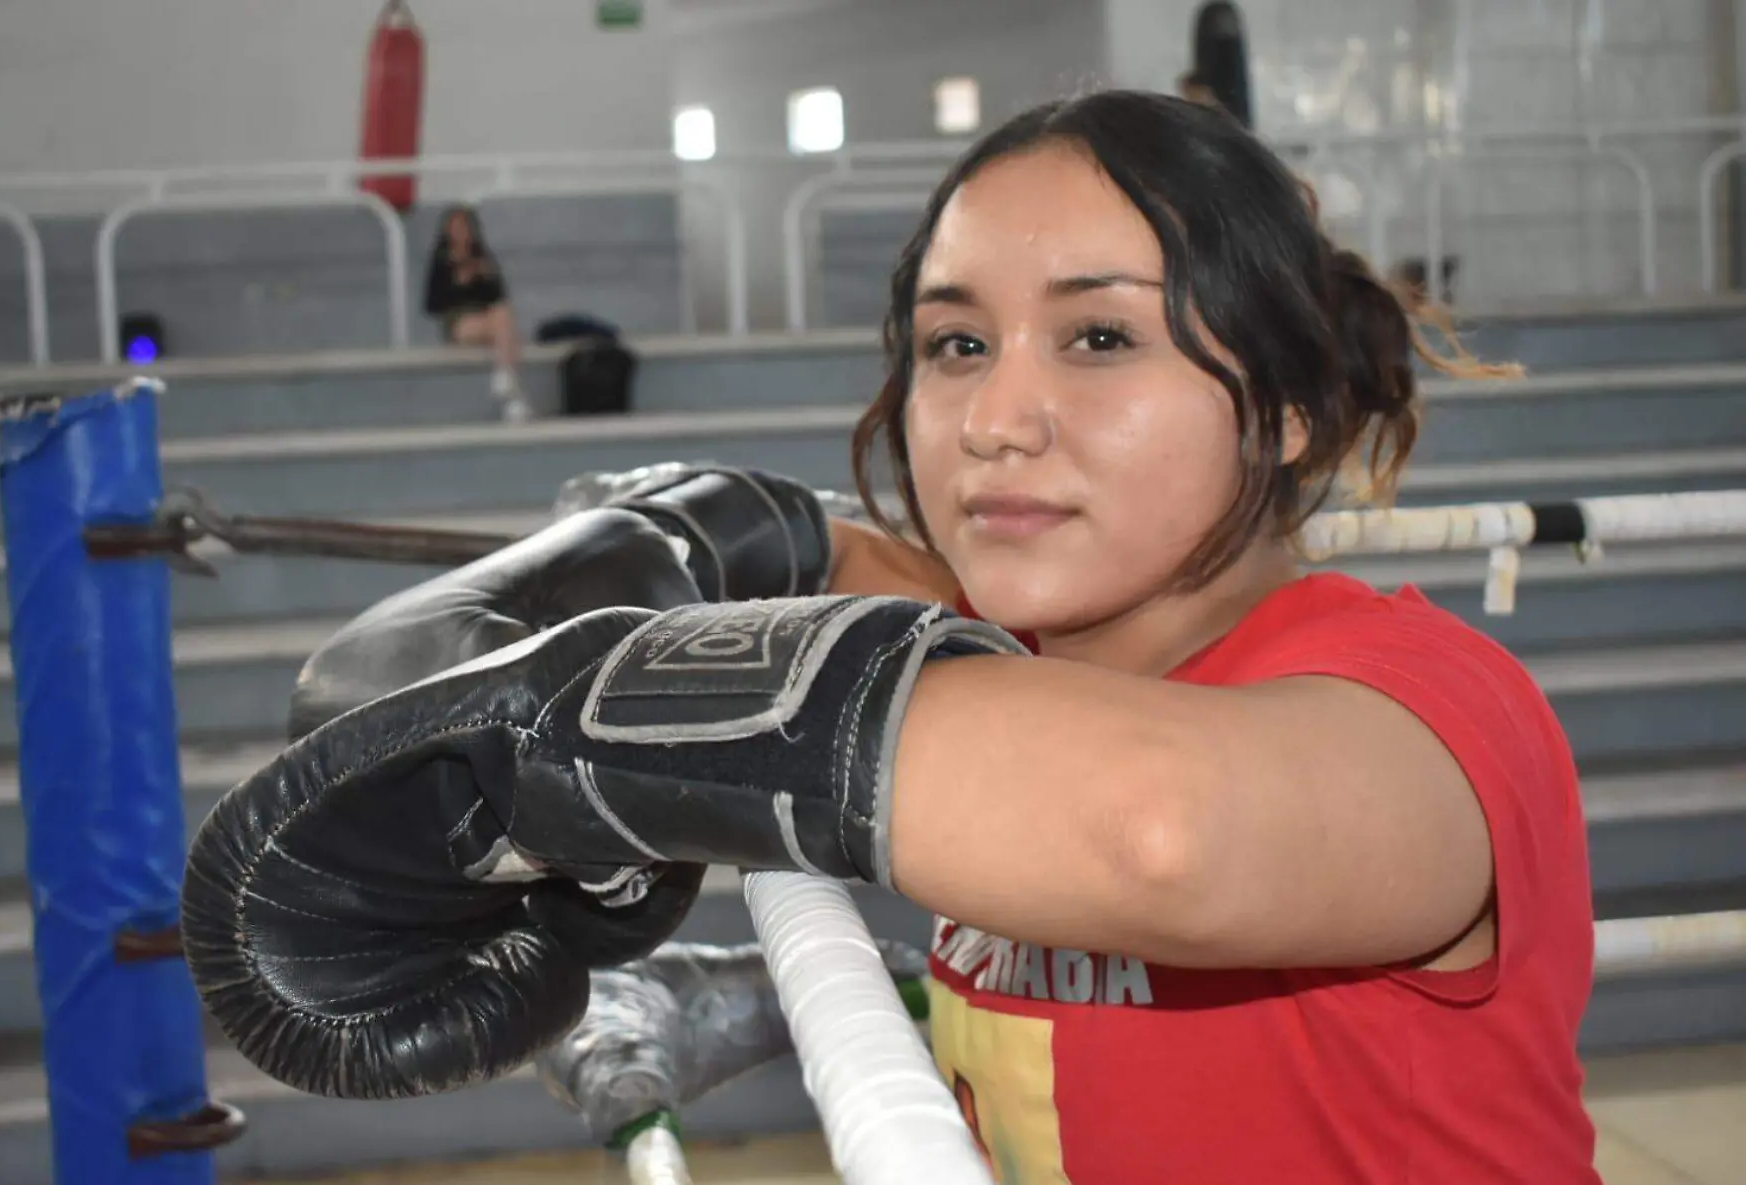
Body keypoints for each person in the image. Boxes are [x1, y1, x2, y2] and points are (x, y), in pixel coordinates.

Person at [183, 90, 1598, 1183]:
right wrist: (674, 537)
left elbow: (1157, 833)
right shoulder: (1002, 665)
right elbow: (821, 556)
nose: (994, 417)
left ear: (1285, 411)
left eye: (1100, 339)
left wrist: (555, 725)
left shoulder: (1425, 708)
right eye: (955, 343)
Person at [424, 203, 529, 420]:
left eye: (464, 227)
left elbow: (499, 297)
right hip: (459, 323)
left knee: (502, 316)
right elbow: (432, 305)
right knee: (508, 334)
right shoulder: (441, 262)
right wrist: (458, 283)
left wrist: (485, 277)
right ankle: (512, 394)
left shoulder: (482, 257)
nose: (460, 233)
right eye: (455, 228)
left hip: (487, 320)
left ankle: (509, 389)